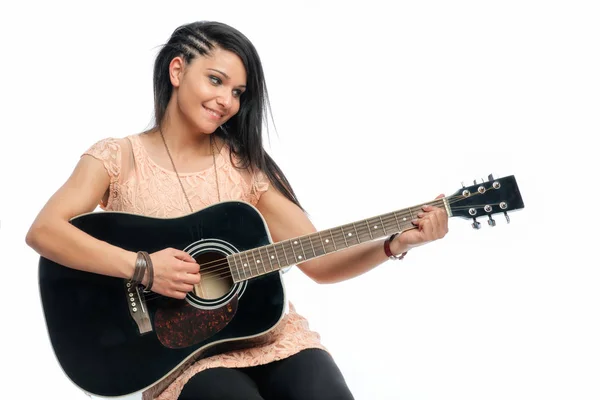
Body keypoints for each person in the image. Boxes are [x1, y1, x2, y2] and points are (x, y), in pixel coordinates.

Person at [26, 21, 449, 400]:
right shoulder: (119, 157)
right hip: (181, 358)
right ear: (177, 71)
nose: (227, 100)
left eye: (237, 92)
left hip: (269, 337)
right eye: (216, 80)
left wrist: (394, 244)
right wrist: (142, 266)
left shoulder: (242, 166)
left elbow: (318, 261)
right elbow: (44, 231)